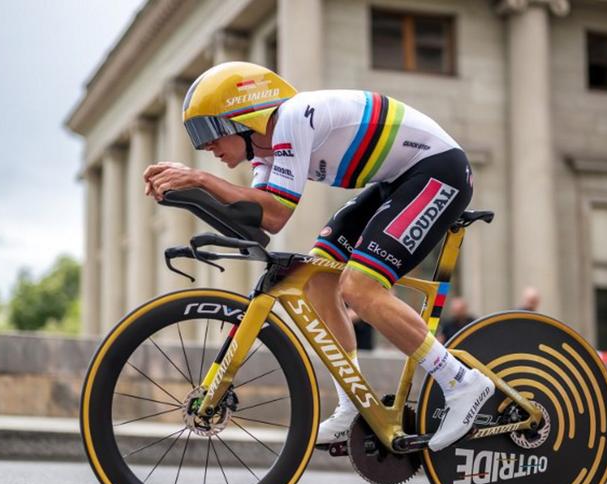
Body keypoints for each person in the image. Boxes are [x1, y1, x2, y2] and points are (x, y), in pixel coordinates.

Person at [143, 61, 493, 452]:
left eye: (209, 131)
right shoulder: (265, 153)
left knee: (361, 287)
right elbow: (259, 224)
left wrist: (201, 179)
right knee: (316, 281)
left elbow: (276, 211)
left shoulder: (291, 119)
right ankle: (353, 406)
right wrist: (188, 197)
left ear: (242, 117)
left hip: (438, 170)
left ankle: (461, 381)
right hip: (396, 181)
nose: (205, 146)